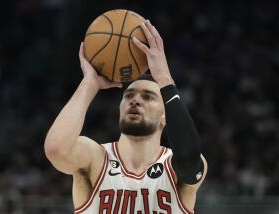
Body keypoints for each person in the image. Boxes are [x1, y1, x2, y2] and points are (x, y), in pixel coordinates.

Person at [44, 20, 208, 214]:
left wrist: (165, 80)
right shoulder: (95, 158)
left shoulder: (174, 166)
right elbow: (56, 149)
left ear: (165, 117)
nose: (135, 100)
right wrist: (90, 83)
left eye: (148, 97)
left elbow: (190, 159)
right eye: (129, 95)